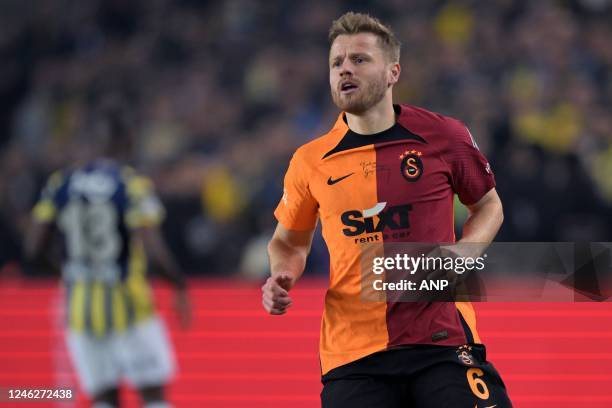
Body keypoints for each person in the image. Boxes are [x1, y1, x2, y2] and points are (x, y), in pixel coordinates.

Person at [262, 12, 512, 408]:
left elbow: (488, 205)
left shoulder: (444, 136)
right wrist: (282, 274)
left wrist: (466, 254)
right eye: (336, 62)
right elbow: (288, 241)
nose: (345, 68)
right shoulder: (310, 161)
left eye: (359, 59)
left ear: (393, 72)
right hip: (355, 356)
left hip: (441, 341)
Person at [24, 122, 190, 408]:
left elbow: (34, 247)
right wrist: (178, 285)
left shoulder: (59, 184)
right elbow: (154, 252)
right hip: (131, 307)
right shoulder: (131, 185)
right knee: (153, 396)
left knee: (104, 398)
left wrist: (68, 274)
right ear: (125, 145)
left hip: (81, 311)